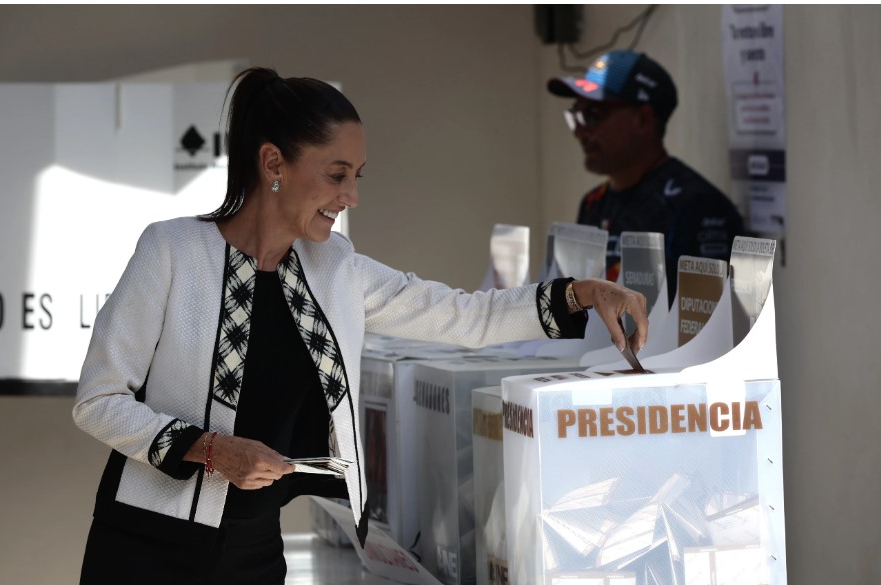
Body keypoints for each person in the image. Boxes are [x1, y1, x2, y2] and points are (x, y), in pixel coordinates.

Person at [72, 66, 648, 585]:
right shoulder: (171, 250)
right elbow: (98, 399)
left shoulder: (337, 268)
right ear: (274, 163)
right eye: (336, 174)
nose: (349, 195)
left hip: (254, 552)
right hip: (147, 547)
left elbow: (465, 316)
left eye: (357, 177)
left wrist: (582, 292)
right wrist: (211, 450)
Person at [547, 50, 745, 305]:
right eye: (576, 115)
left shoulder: (697, 207)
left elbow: (706, 329)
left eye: (593, 115)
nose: (580, 132)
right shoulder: (593, 204)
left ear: (643, 120)